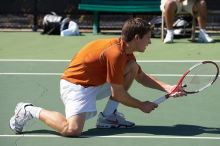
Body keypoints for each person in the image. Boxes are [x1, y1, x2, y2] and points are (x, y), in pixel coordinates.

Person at [9, 18, 183, 137]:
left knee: (133, 68)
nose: (150, 42)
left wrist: (167, 87)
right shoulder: (115, 53)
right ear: (136, 38)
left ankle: (108, 116)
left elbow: (141, 76)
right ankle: (28, 110)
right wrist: (141, 105)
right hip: (75, 86)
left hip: (96, 83)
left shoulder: (127, 52)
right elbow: (119, 94)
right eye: (147, 38)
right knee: (72, 130)